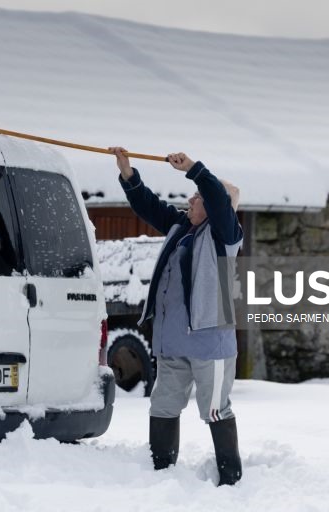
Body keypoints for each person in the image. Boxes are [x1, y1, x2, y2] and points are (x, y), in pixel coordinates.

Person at [109, 147, 243, 486]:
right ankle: (161, 474)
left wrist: (195, 170)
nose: (190, 200)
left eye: (197, 197)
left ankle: (231, 479)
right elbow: (150, 207)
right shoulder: (182, 227)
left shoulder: (225, 236)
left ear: (215, 207)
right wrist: (128, 174)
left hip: (210, 343)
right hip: (172, 342)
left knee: (214, 409)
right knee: (163, 406)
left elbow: (216, 197)